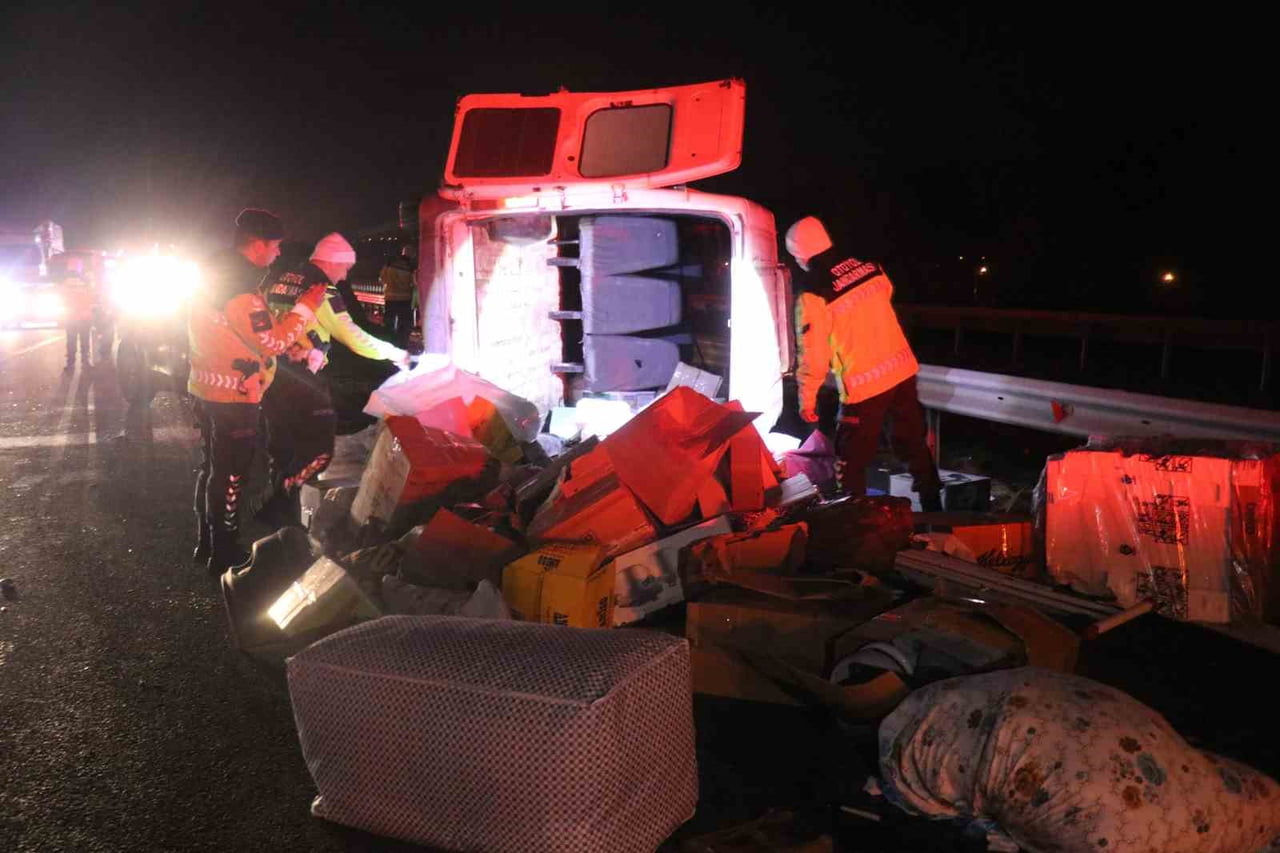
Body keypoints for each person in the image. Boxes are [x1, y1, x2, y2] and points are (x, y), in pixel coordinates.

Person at [188, 209, 329, 574]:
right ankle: (224, 552)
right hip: (234, 395)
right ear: (258, 246)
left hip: (206, 386)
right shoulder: (239, 290)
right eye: (276, 246)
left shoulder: (214, 276)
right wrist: (306, 307)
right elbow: (273, 342)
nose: (278, 253)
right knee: (232, 475)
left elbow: (237, 333)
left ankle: (207, 542)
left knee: (213, 468)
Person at [787, 215, 942, 510]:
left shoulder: (813, 291)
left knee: (850, 459)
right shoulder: (870, 268)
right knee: (912, 443)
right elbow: (884, 297)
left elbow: (813, 354)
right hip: (902, 372)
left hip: (864, 386)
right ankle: (936, 511)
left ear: (800, 254)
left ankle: (854, 519)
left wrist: (806, 399)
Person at [255, 232, 409, 526]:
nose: (345, 276)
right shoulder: (320, 288)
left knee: (282, 444)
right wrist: (394, 353)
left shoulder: (281, 279)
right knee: (317, 447)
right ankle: (285, 508)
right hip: (302, 377)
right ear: (332, 261)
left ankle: (280, 512)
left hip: (272, 371)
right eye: (345, 267)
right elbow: (351, 334)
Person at [378, 242, 416, 347]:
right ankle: (401, 344)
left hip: (390, 297)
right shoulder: (410, 267)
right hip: (405, 299)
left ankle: (388, 342)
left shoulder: (390, 263)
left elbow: (381, 278)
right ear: (412, 255)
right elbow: (414, 283)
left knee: (389, 322)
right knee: (404, 324)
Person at [60, 261, 95, 371]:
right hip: (81, 315)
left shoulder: (66, 281)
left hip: (73, 316)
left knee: (72, 341)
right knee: (83, 340)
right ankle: (84, 362)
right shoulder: (86, 280)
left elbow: (63, 297)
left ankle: (71, 364)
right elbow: (91, 295)